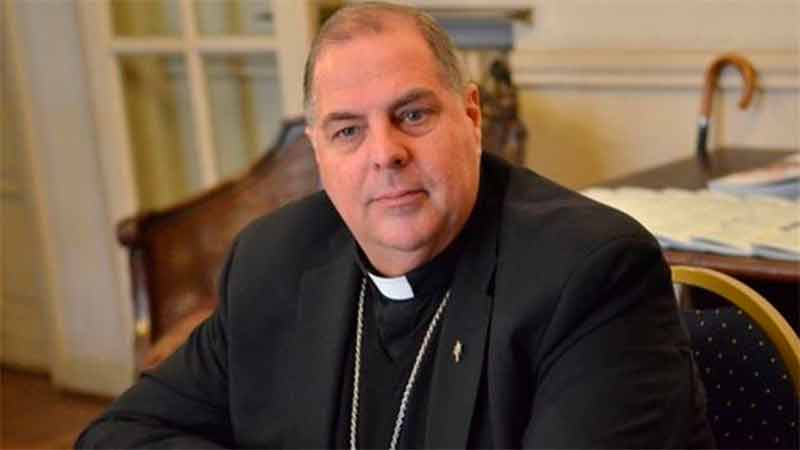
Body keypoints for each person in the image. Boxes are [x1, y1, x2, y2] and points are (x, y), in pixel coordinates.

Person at [77, 2, 713, 448]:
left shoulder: (592, 273)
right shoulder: (273, 262)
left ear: (471, 117)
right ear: (318, 153)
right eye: (348, 130)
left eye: (412, 115)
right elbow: (119, 435)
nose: (385, 154)